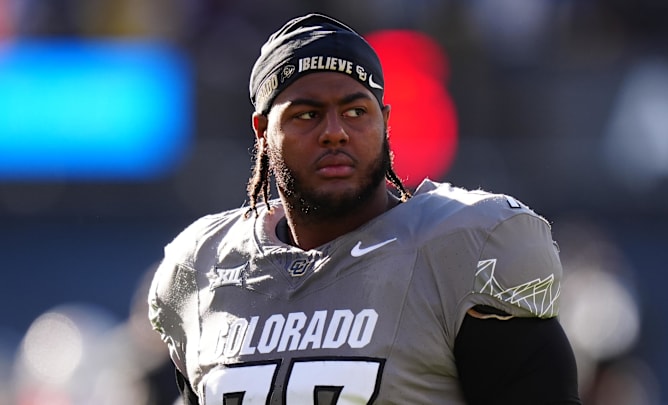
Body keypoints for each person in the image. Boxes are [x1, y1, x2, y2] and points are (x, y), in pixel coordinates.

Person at [148, 13, 582, 405]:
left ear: (385, 123)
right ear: (262, 130)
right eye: (306, 115)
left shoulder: (464, 245)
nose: (335, 132)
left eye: (356, 111)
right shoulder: (203, 267)